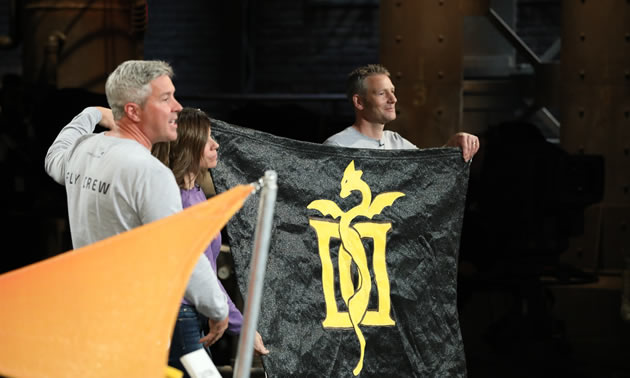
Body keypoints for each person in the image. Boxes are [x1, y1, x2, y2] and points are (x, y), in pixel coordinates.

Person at [43, 60, 230, 359]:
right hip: (139, 326)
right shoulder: (150, 173)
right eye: (165, 99)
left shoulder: (84, 150)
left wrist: (89, 114)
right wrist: (217, 309)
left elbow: (53, 159)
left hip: (92, 319)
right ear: (133, 111)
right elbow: (182, 254)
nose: (178, 107)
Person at [152, 107, 270, 370]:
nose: (216, 144)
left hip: (186, 314)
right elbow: (201, 271)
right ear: (188, 145)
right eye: (206, 139)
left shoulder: (193, 193)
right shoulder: (182, 201)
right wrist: (241, 325)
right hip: (181, 315)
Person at [323, 64, 480, 160]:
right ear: (359, 102)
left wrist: (454, 146)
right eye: (382, 93)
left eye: (392, 91)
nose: (393, 99)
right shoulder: (337, 146)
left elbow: (430, 169)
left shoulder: (397, 143)